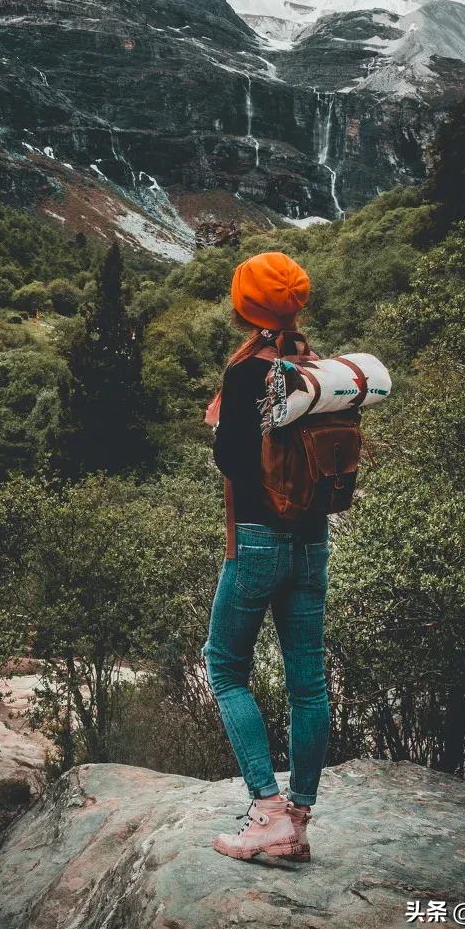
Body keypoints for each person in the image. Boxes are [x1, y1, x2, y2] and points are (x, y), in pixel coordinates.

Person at [203, 251, 329, 861]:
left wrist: (223, 422)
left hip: (255, 537)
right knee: (308, 681)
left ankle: (267, 810)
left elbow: (232, 462)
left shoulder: (247, 372)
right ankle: (299, 821)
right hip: (311, 542)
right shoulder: (310, 367)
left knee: (225, 666)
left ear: (245, 307)